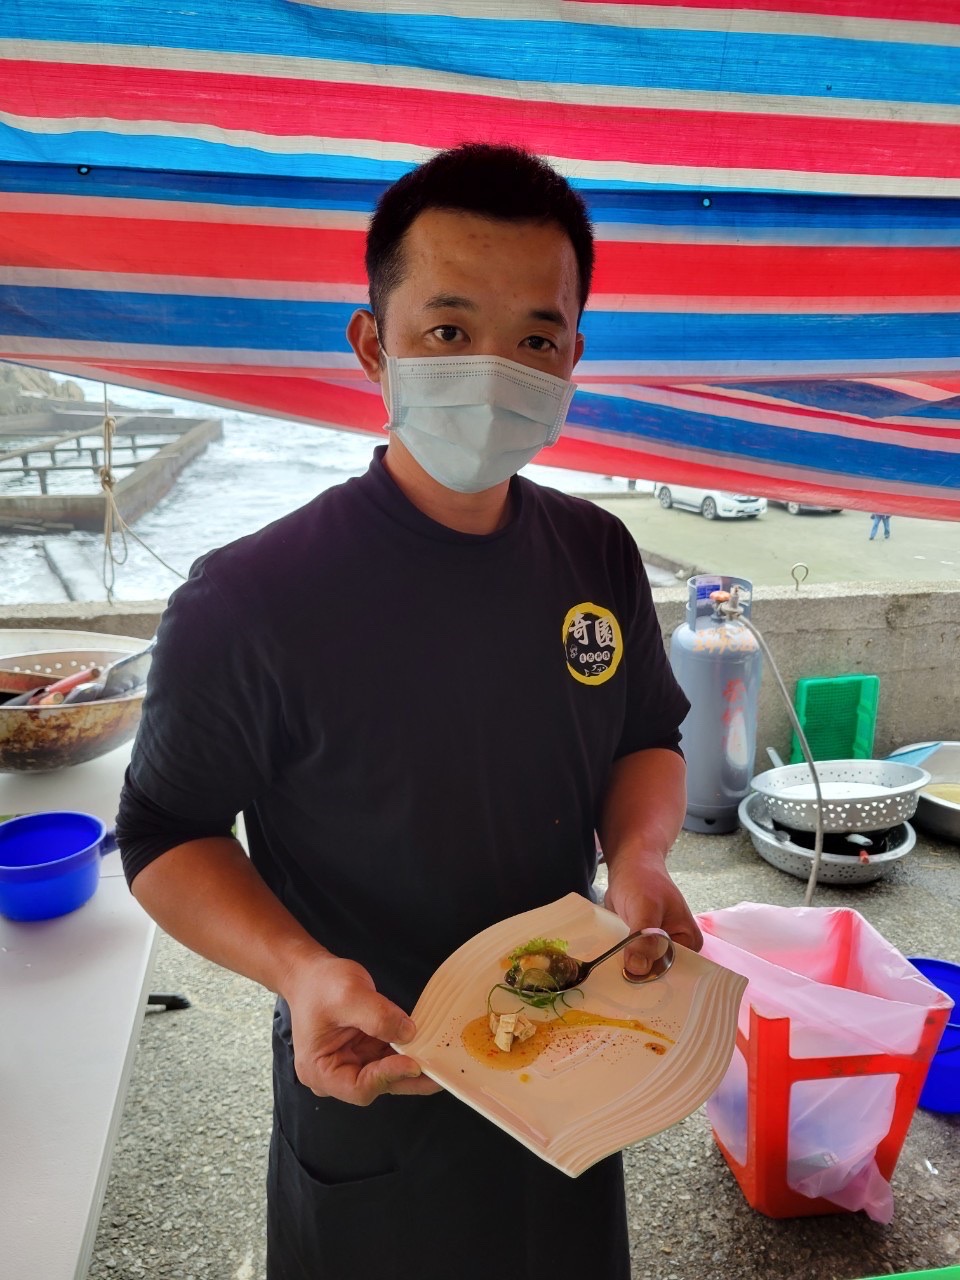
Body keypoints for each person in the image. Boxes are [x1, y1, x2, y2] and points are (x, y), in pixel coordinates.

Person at [116, 142, 702, 1280]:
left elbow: (644, 731)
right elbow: (165, 831)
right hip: (373, 1062)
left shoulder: (596, 552)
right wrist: (296, 967)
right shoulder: (252, 598)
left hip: (569, 1043)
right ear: (373, 343)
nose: (494, 366)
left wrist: (637, 853)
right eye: (447, 329)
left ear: (574, 353)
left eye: (535, 336)